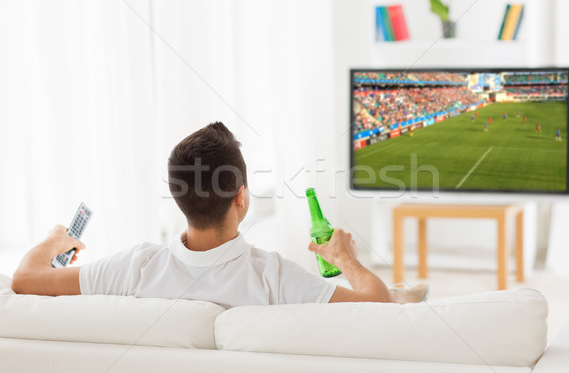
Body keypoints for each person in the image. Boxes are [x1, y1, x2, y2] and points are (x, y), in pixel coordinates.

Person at [11, 122, 426, 308]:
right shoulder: (275, 277)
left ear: (178, 197)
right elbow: (379, 306)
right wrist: (345, 260)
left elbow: (26, 280)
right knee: (401, 296)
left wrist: (54, 241)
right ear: (241, 198)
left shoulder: (134, 267)